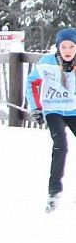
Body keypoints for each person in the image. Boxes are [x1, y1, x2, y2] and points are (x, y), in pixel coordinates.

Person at [26, 27, 76, 213]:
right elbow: (31, 82)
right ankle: (54, 193)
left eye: (72, 46)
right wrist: (35, 108)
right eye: (64, 46)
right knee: (60, 146)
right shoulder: (46, 63)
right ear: (58, 48)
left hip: (73, 110)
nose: (68, 50)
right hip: (53, 111)